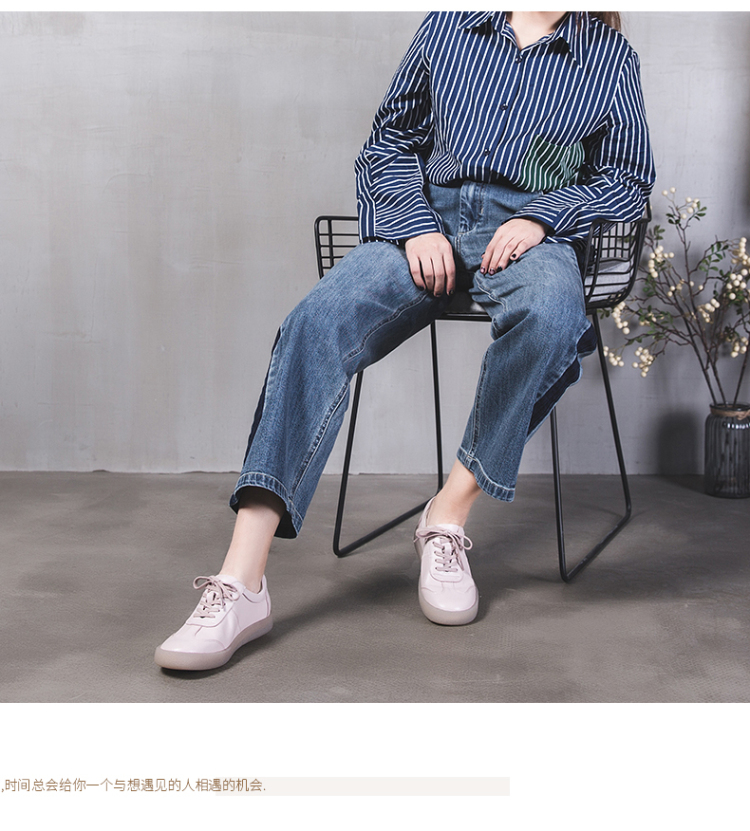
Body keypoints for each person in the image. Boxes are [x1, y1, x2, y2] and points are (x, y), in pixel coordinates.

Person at [155, 11, 655, 671]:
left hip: (527, 236)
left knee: (552, 315)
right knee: (315, 322)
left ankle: (446, 515)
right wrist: (414, 225)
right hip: (429, 223)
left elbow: (627, 178)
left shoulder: (610, 57)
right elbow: (390, 140)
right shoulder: (449, 25)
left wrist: (542, 216)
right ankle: (241, 581)